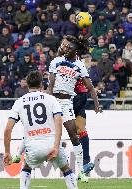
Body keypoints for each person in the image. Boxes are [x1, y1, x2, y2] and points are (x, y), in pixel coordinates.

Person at [3, 71, 79, 189]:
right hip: (52, 143)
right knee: (66, 169)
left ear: (27, 85)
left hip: (33, 146)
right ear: (41, 85)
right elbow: (59, 124)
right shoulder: (52, 99)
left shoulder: (19, 102)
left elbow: (7, 130)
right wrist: (56, 146)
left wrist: (7, 152)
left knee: (27, 167)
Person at [48, 35, 101, 182]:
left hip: (70, 100)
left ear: (75, 51)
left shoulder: (79, 65)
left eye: (68, 47)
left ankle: (82, 170)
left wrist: (96, 104)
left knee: (75, 134)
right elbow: (50, 85)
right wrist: (47, 99)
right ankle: (21, 153)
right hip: (55, 100)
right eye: (64, 46)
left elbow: (89, 86)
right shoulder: (56, 61)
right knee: (41, 128)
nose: (65, 48)